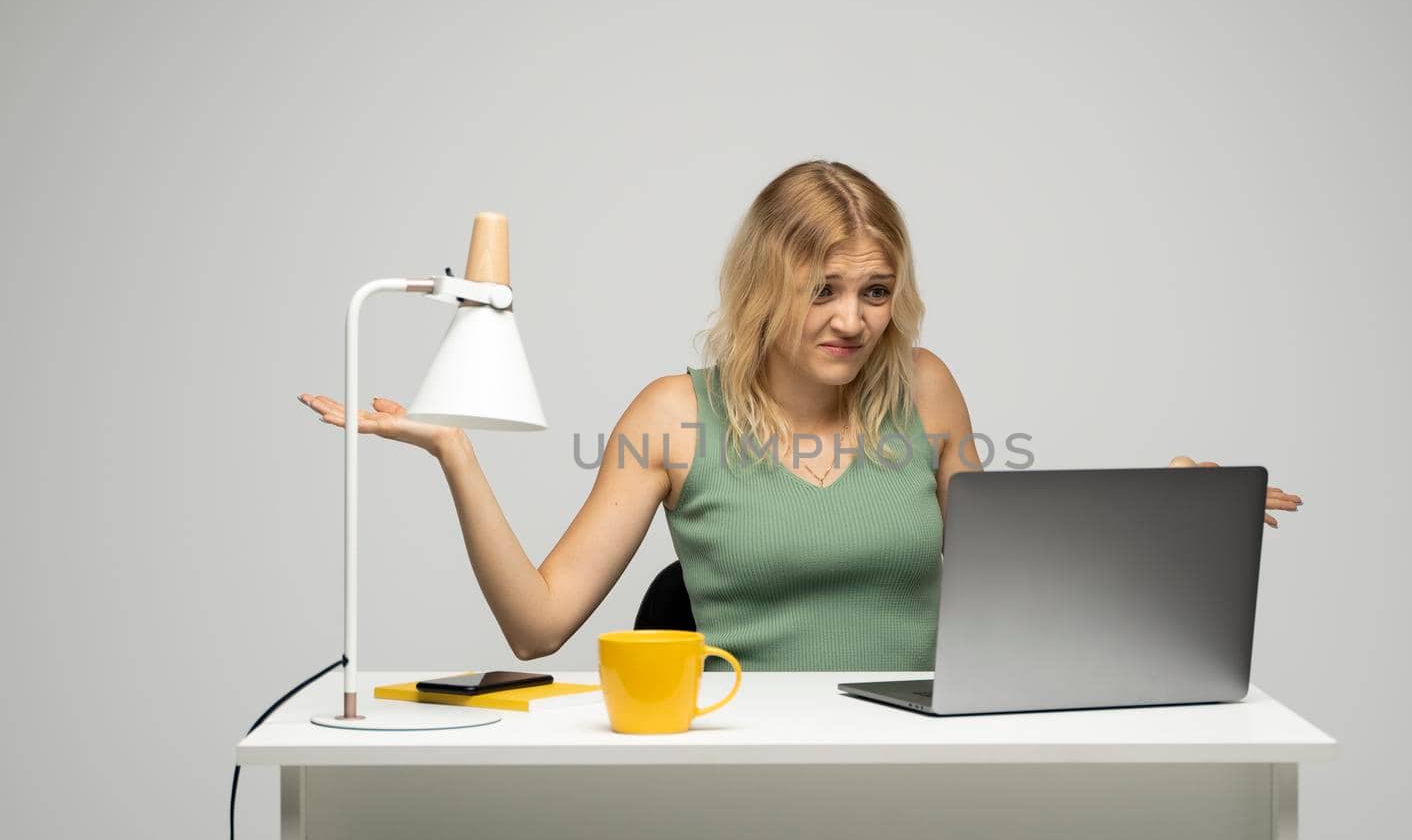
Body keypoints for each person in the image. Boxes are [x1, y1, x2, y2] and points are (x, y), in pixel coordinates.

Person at [296, 160, 1302, 671]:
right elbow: (536, 625)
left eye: (873, 291)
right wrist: (457, 457)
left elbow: (1019, 579)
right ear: (764, 286)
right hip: (744, 761)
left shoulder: (926, 389)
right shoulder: (672, 416)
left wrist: (1153, 512)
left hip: (920, 750)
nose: (851, 320)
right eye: (823, 289)